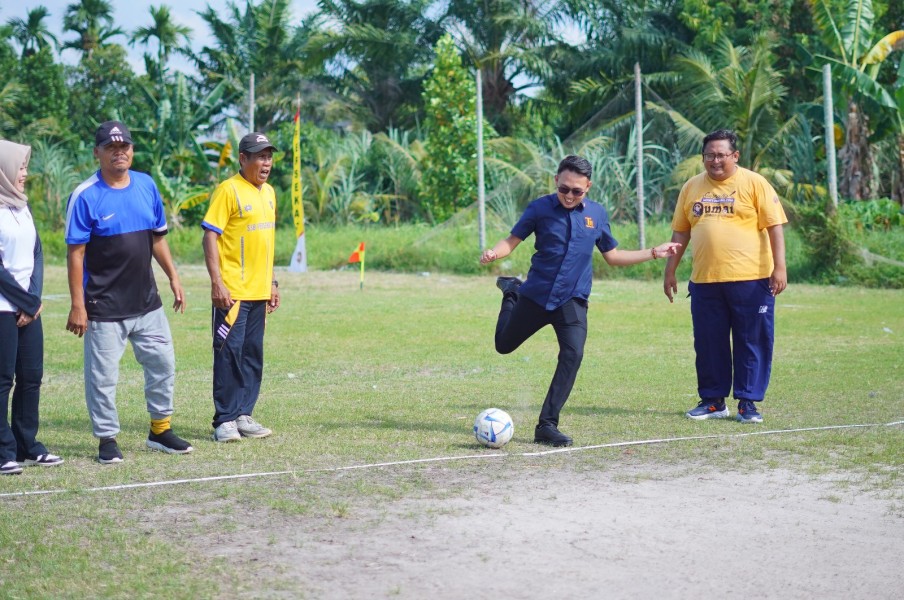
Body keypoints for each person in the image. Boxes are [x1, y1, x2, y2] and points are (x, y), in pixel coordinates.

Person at [481, 155, 681, 447]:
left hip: (571, 300)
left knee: (573, 355)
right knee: (503, 345)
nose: (569, 195)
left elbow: (613, 257)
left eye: (577, 191)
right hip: (535, 295)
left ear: (588, 187)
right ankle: (512, 292)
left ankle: (547, 425)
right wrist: (494, 253)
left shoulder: (597, 214)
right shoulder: (539, 208)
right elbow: (511, 241)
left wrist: (654, 252)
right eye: (563, 189)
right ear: (556, 181)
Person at [65, 121, 193, 463]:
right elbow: (76, 254)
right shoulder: (85, 195)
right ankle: (107, 439)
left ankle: (160, 430)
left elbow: (157, 238)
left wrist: (173, 277)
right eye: (111, 147)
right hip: (104, 305)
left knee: (163, 363)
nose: (119, 152)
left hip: (147, 301)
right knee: (103, 377)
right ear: (98, 152)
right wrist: (78, 305)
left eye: (125, 147)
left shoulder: (146, 185)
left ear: (132, 151)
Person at [663, 129, 787, 424]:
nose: (715, 160)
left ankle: (748, 402)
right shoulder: (691, 187)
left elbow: (774, 227)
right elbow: (680, 232)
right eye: (709, 155)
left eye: (721, 155)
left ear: (735, 156)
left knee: (751, 341)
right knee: (709, 343)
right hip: (705, 281)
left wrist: (780, 268)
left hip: (752, 279)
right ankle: (713, 401)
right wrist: (670, 270)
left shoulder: (754, 183)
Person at [202, 132, 280, 442]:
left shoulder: (269, 193)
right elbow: (210, 236)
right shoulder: (228, 190)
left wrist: (272, 282)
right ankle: (225, 420)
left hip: (259, 293)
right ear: (243, 159)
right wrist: (217, 282)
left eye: (269, 156)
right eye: (260, 156)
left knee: (252, 355)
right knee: (228, 354)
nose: (266, 163)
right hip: (232, 293)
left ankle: (244, 414)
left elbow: (266, 242)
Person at [0, 140, 64, 475]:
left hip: (28, 307)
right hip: (3, 309)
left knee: (31, 377)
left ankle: (27, 445)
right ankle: (3, 450)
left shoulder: (21, 205)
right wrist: (26, 301)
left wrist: (34, 298)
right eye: (20, 167)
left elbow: (37, 253)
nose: (24, 173)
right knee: (3, 380)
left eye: (25, 167)